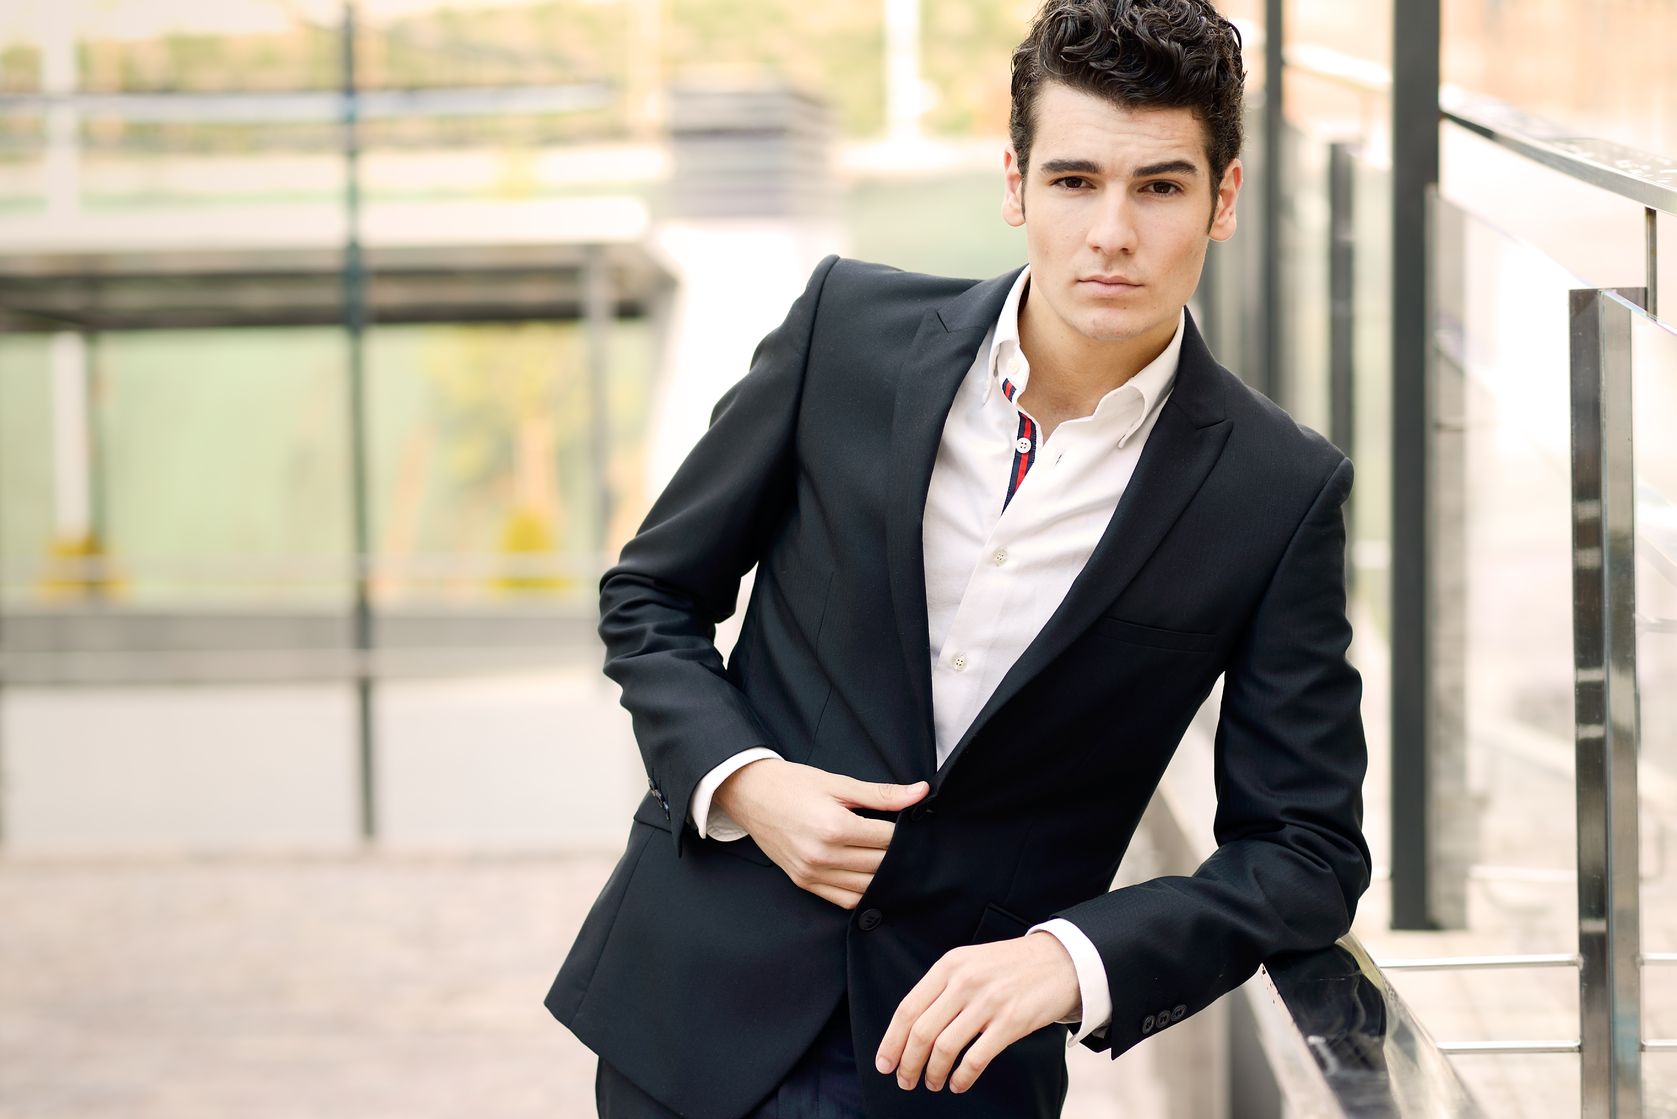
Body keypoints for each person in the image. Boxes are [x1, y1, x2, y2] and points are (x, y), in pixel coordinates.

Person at [543, 0, 1371, 1115]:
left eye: (1159, 187)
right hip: (695, 1009)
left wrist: (1073, 958)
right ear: (1015, 183)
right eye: (1074, 181)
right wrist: (745, 781)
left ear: (1222, 200)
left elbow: (1306, 848)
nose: (1111, 233)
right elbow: (652, 594)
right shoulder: (845, 332)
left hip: (957, 1067)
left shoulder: (1276, 490)